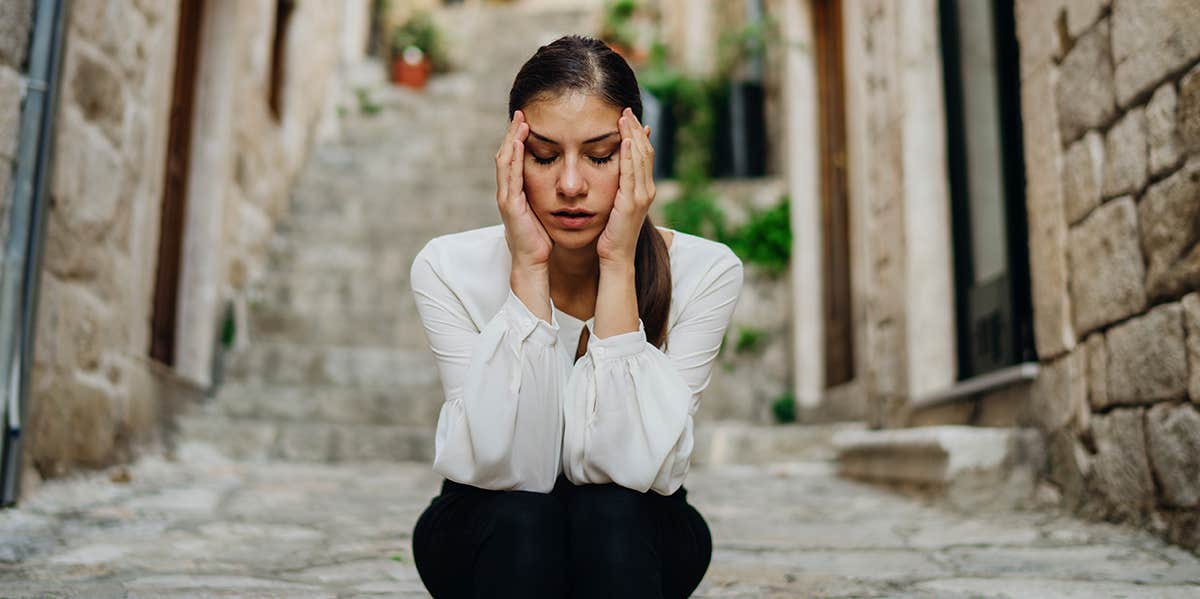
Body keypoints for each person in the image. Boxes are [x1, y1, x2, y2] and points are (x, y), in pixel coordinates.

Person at [408, 35, 743, 599]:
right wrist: (529, 269)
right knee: (523, 517)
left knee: (609, 510)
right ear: (512, 157)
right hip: (488, 525)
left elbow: (628, 468)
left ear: (638, 152)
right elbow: (516, 469)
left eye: (601, 154)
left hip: (638, 531)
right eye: (543, 156)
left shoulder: (705, 272)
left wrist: (617, 263)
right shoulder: (447, 267)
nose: (569, 185)